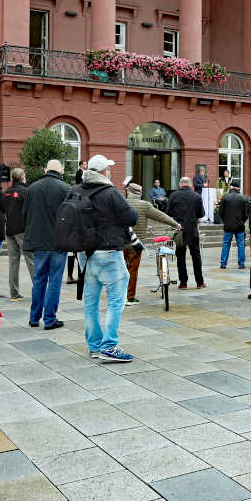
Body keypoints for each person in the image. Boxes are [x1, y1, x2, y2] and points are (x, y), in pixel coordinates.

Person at [78, 154, 138, 362]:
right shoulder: (110, 192)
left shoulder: (77, 190)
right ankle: (109, 346)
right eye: (109, 169)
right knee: (116, 300)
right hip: (109, 252)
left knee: (90, 301)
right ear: (105, 172)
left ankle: (94, 345)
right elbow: (131, 217)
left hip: (86, 254)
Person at [23, 160, 70, 329]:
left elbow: (25, 214)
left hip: (38, 242)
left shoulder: (32, 188)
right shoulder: (65, 189)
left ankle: (34, 318)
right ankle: (50, 319)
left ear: (45, 169)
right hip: (58, 242)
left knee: (39, 280)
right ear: (61, 171)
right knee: (55, 281)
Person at [125, 181, 180, 304]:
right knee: (133, 270)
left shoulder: (122, 203)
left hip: (121, 241)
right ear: (139, 194)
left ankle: (118, 296)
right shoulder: (145, 205)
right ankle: (130, 297)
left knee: (120, 269)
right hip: (136, 243)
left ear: (129, 192)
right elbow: (161, 216)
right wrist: (176, 224)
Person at [2, 168, 35, 303]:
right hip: (23, 229)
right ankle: (39, 290)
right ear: (22, 177)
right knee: (31, 260)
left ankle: (13, 293)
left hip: (9, 229)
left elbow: (3, 210)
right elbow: (30, 211)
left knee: (13, 262)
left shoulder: (6, 193)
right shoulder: (26, 192)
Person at [168, 176, 206, 289]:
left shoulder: (174, 195)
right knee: (196, 256)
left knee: (180, 256)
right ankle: (199, 282)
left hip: (179, 230)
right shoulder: (196, 195)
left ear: (180, 184)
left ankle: (183, 282)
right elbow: (201, 214)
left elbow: (168, 212)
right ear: (190, 185)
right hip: (192, 229)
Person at [217, 181, 247, 270]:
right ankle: (241, 264)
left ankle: (223, 263)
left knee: (226, 244)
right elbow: (247, 213)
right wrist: (242, 221)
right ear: (238, 188)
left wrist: (225, 221)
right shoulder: (243, 198)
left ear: (231, 187)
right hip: (240, 226)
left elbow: (220, 212)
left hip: (228, 225)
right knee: (241, 245)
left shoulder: (225, 197)